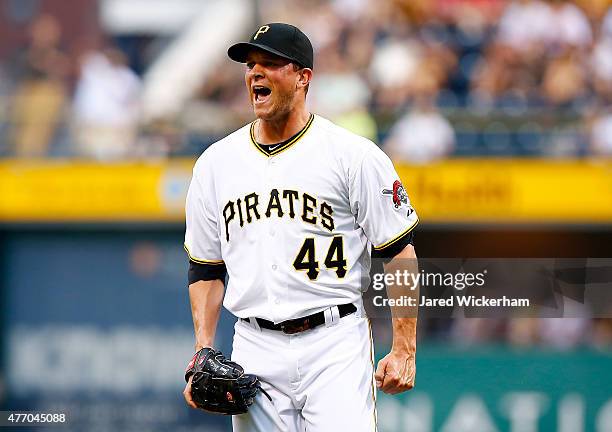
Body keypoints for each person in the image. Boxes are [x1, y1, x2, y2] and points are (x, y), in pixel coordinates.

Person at [182, 23, 419, 431]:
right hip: (255, 344)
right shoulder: (215, 164)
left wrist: (404, 348)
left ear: (303, 77)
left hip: (334, 340)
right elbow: (206, 268)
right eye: (250, 65)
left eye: (270, 63)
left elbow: (399, 252)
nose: (255, 73)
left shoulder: (353, 155)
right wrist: (203, 348)